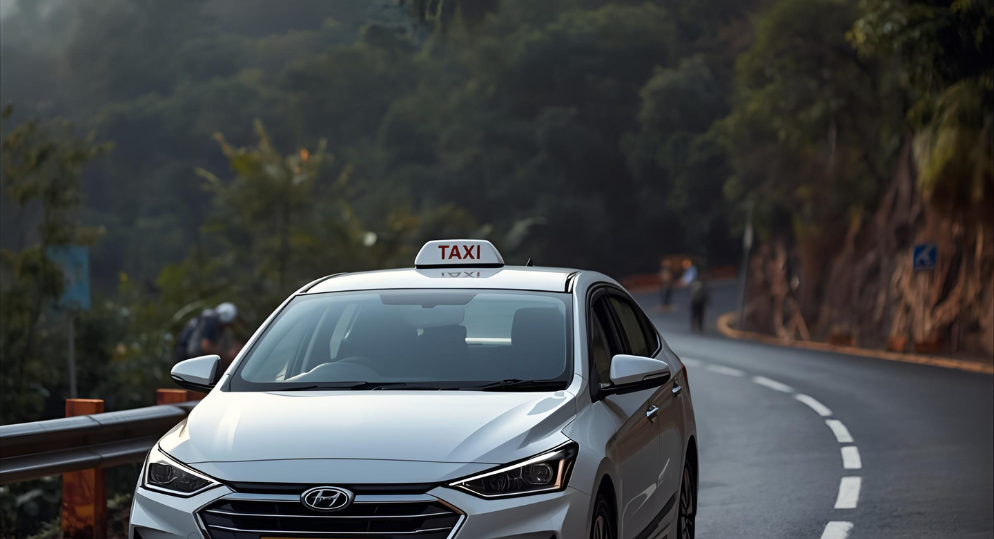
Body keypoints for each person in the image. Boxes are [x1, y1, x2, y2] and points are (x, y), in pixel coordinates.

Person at [198, 302, 243, 369]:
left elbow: (232, 342)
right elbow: (205, 346)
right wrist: (226, 355)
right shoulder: (211, 323)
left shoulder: (219, 325)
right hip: (198, 364)